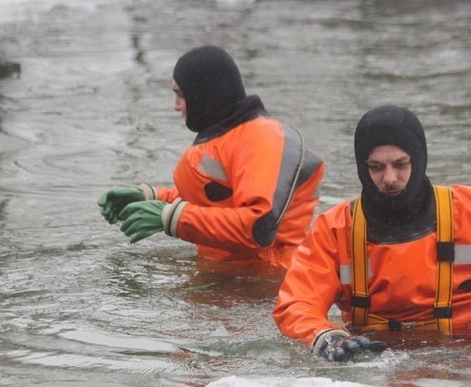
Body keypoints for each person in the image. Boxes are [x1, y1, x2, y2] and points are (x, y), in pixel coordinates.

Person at [272, 104, 471, 361]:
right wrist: (327, 339)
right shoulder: (333, 229)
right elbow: (296, 305)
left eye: (401, 164)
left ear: (419, 160)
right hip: (372, 361)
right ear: (361, 167)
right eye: (376, 167)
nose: (390, 178)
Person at [98, 45, 325, 269]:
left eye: (179, 95)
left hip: (268, 281)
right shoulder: (231, 136)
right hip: (234, 277)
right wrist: (151, 197)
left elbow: (257, 227)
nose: (176, 106)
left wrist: (171, 217)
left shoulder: (262, 139)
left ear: (202, 94)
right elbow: (215, 198)